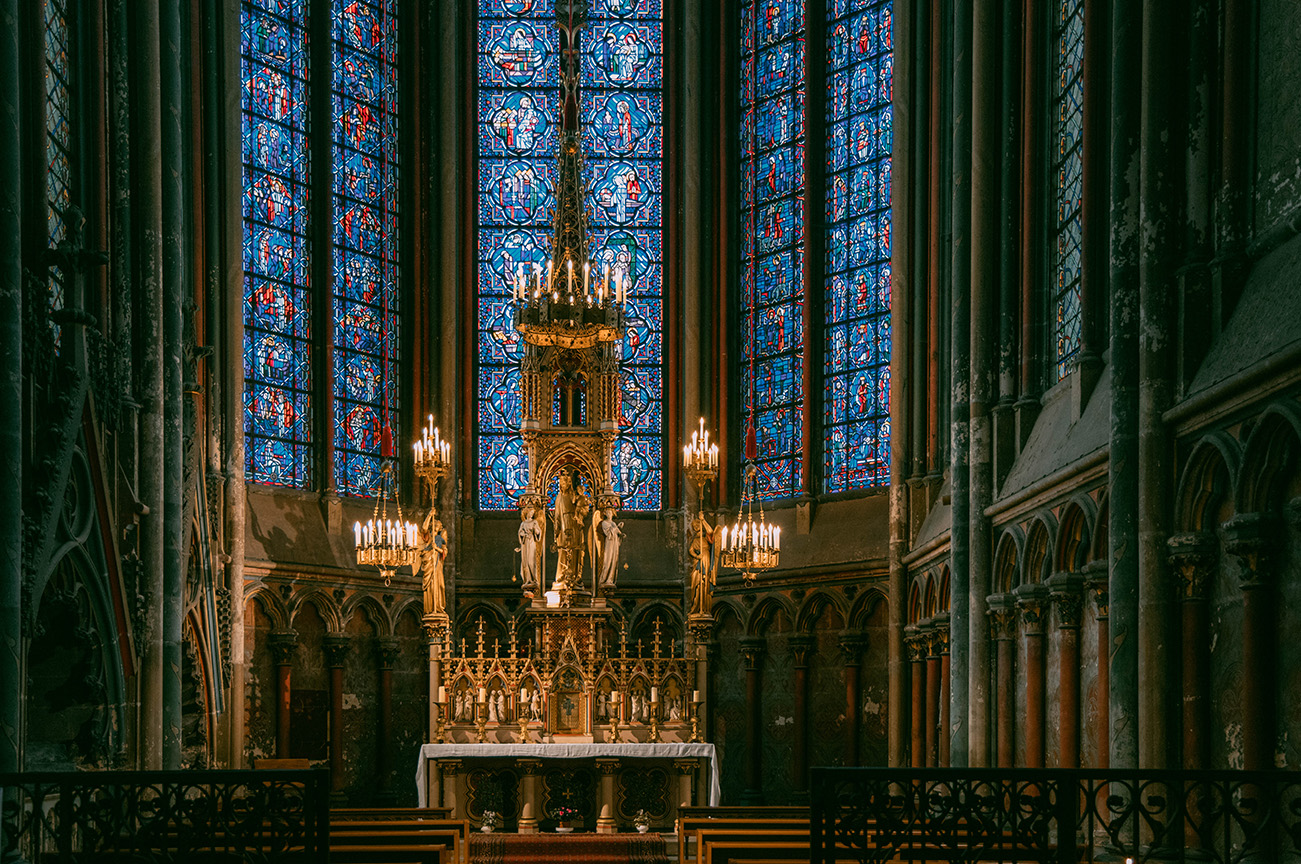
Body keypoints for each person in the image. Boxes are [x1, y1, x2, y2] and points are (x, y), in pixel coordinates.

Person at [422, 513, 447, 616]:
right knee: (431, 586)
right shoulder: (428, 537)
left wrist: (436, 548)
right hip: (428, 563)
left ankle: (438, 607)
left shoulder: (440, 539)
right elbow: (424, 528)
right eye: (435, 524)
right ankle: (430, 608)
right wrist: (429, 515)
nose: (437, 526)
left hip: (438, 564)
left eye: (438, 525)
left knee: (440, 585)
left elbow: (445, 551)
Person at [597, 509, 624, 588]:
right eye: (608, 513)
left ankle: (610, 579)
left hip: (614, 544)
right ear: (605, 514)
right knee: (608, 561)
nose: (609, 514)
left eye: (611, 513)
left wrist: (621, 535)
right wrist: (616, 527)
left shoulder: (613, 523)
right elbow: (608, 533)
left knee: (613, 561)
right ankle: (603, 579)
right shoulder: (604, 523)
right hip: (609, 544)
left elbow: (618, 533)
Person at [518, 505, 542, 591]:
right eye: (530, 513)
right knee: (525, 561)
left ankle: (534, 579)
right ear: (526, 513)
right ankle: (527, 580)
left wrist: (536, 531)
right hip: (525, 544)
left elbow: (538, 531)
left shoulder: (535, 522)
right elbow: (520, 533)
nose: (531, 514)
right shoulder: (523, 523)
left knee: (531, 561)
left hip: (532, 542)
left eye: (533, 513)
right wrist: (523, 534)